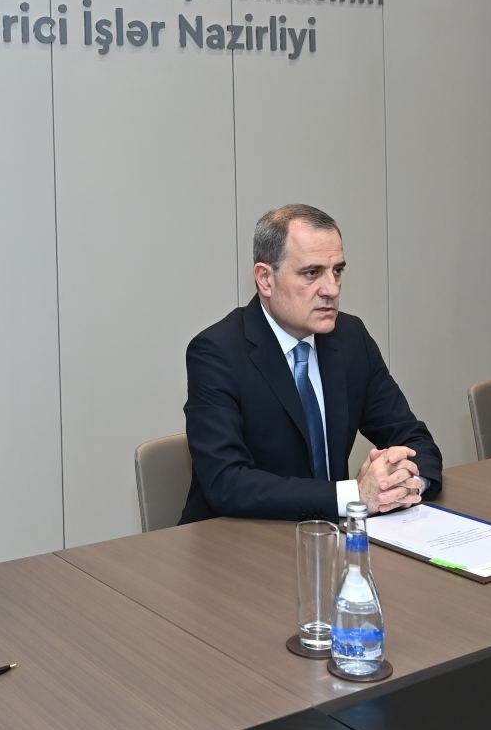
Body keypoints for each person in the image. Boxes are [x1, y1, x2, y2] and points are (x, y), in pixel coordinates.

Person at [181, 204, 443, 523]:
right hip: (237, 539)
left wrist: (404, 483)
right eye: (312, 273)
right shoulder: (217, 352)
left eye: (337, 271)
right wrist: (354, 496)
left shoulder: (350, 338)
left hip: (331, 535)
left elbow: (414, 439)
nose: (331, 289)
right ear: (265, 279)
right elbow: (226, 483)